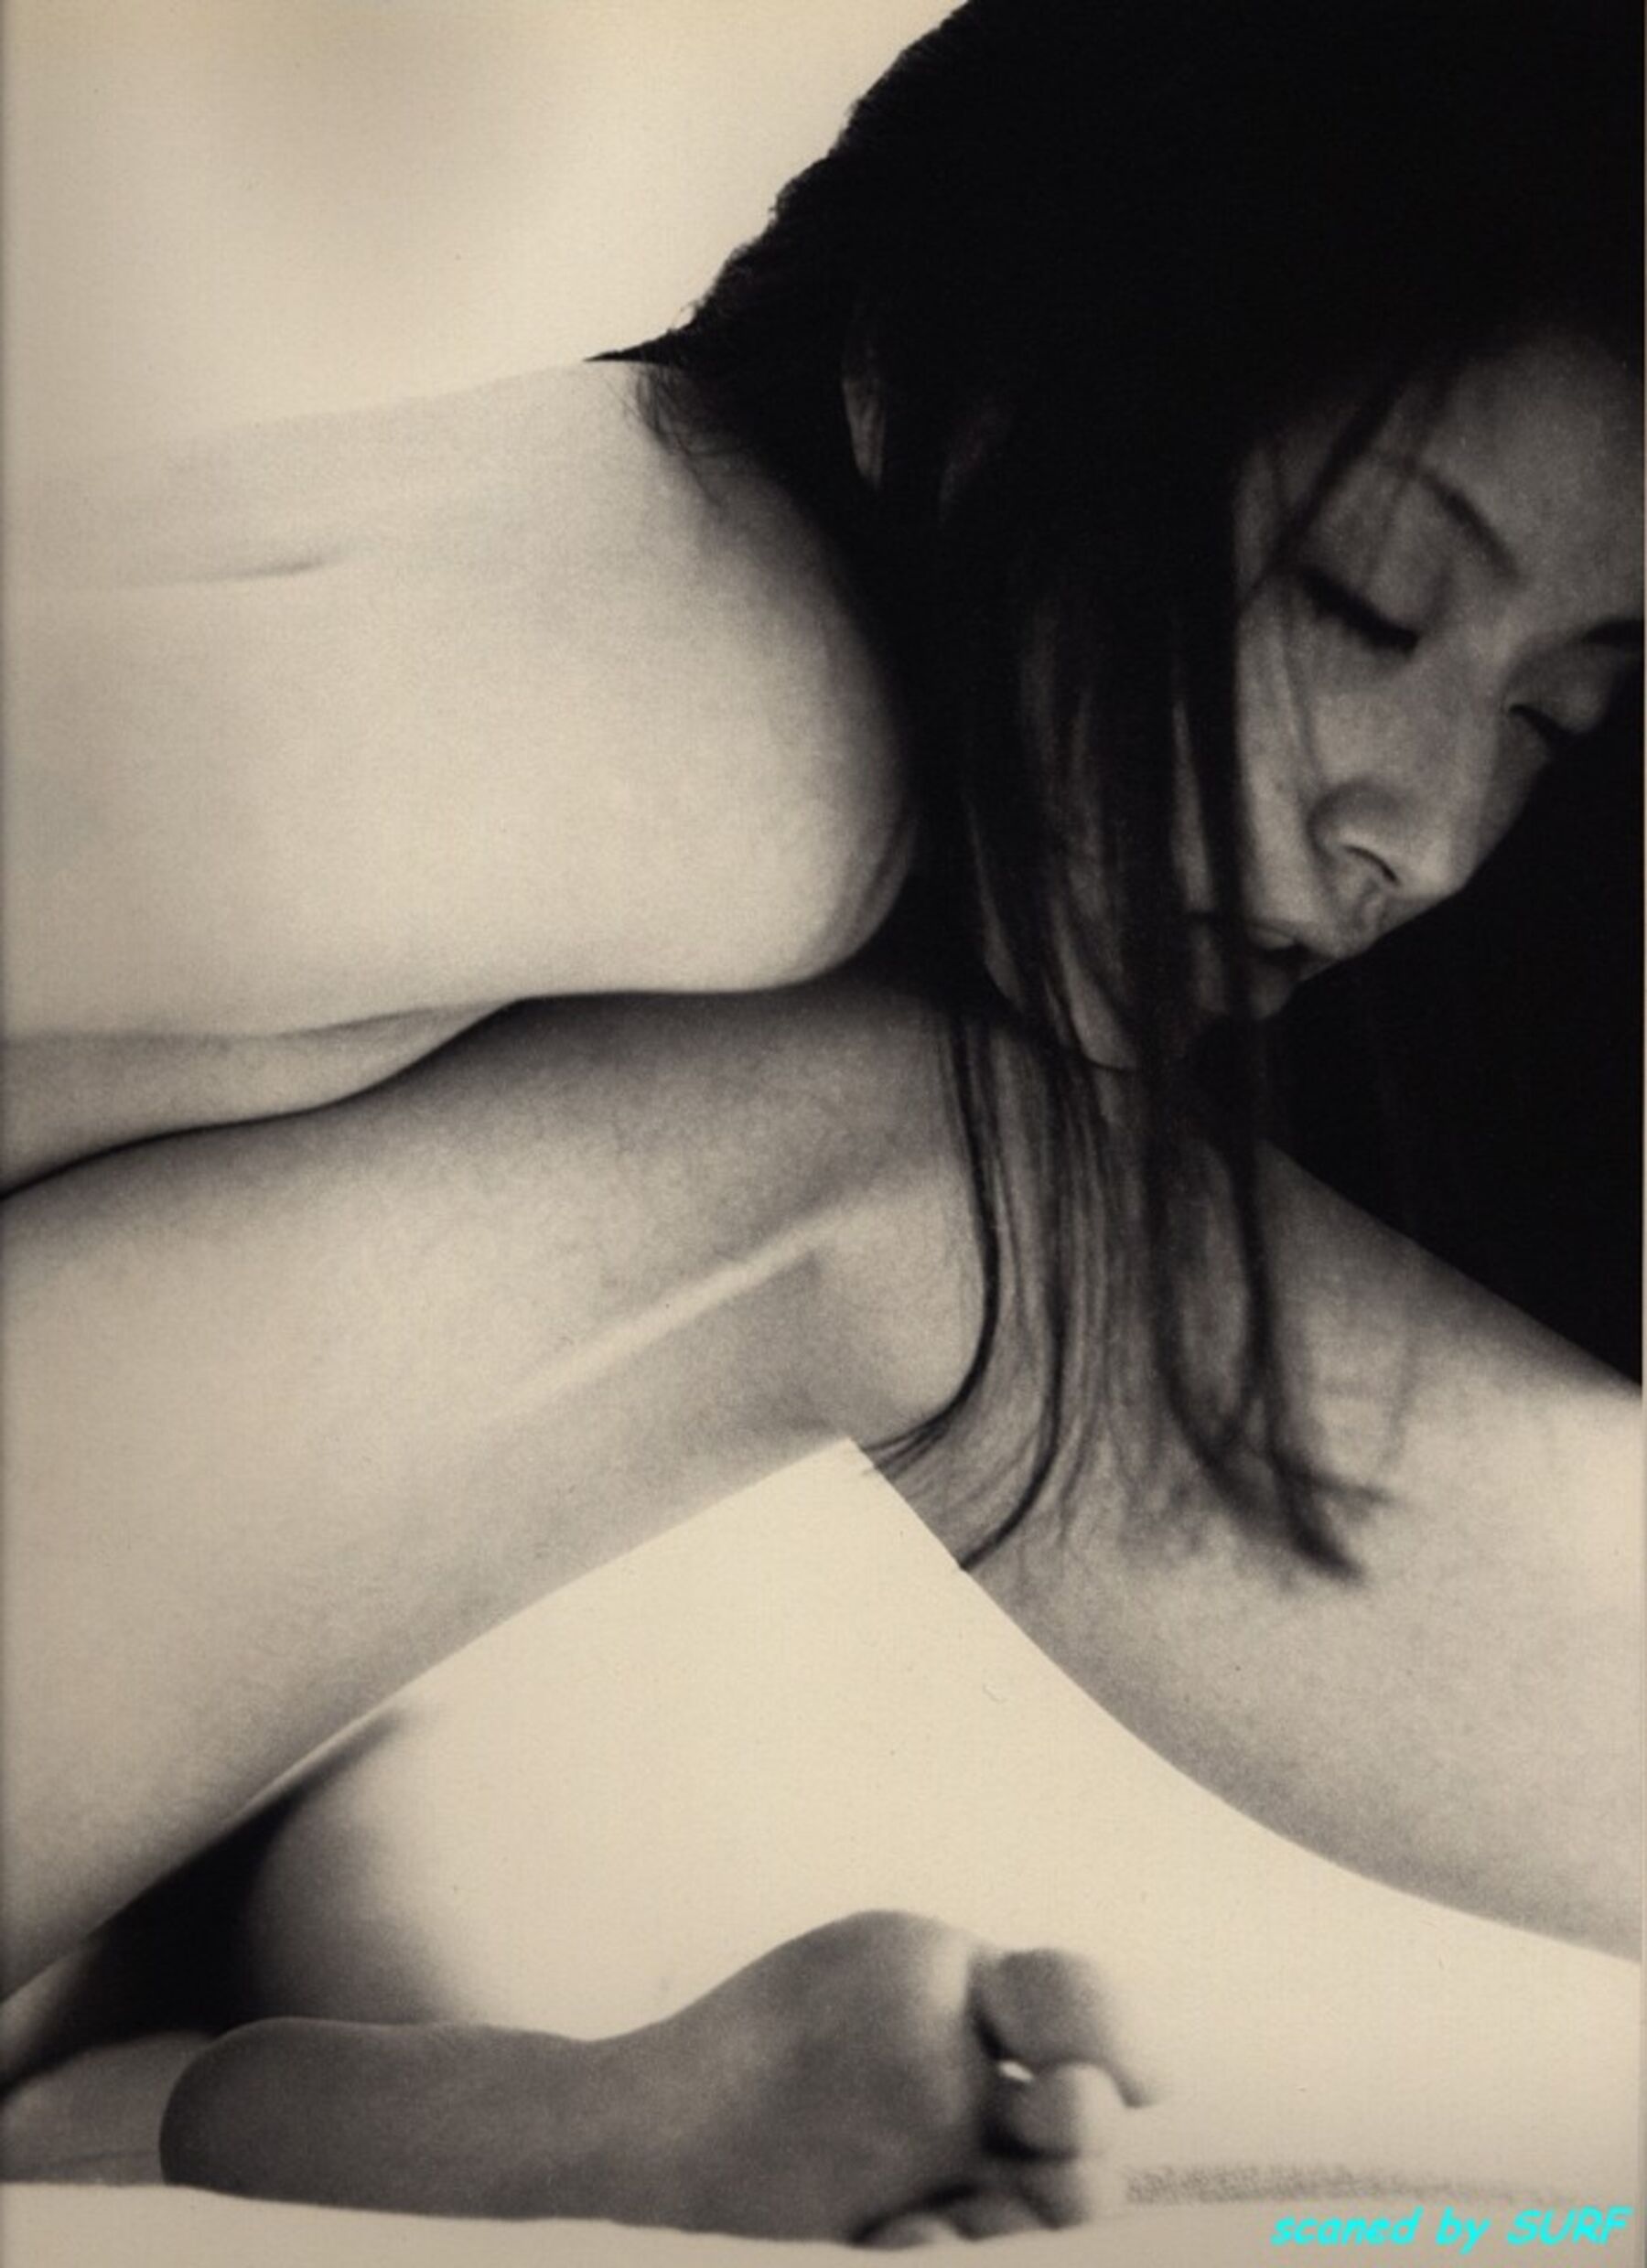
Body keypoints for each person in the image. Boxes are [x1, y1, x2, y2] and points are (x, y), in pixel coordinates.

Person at [3, 0, 1640, 2244]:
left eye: (1557, 720)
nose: (1428, 838)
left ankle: (236, 2107)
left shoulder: (655, 668)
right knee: (923, 1176)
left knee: (410, 1811)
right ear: (968, 383)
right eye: (1363, 602)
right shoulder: (706, 720)